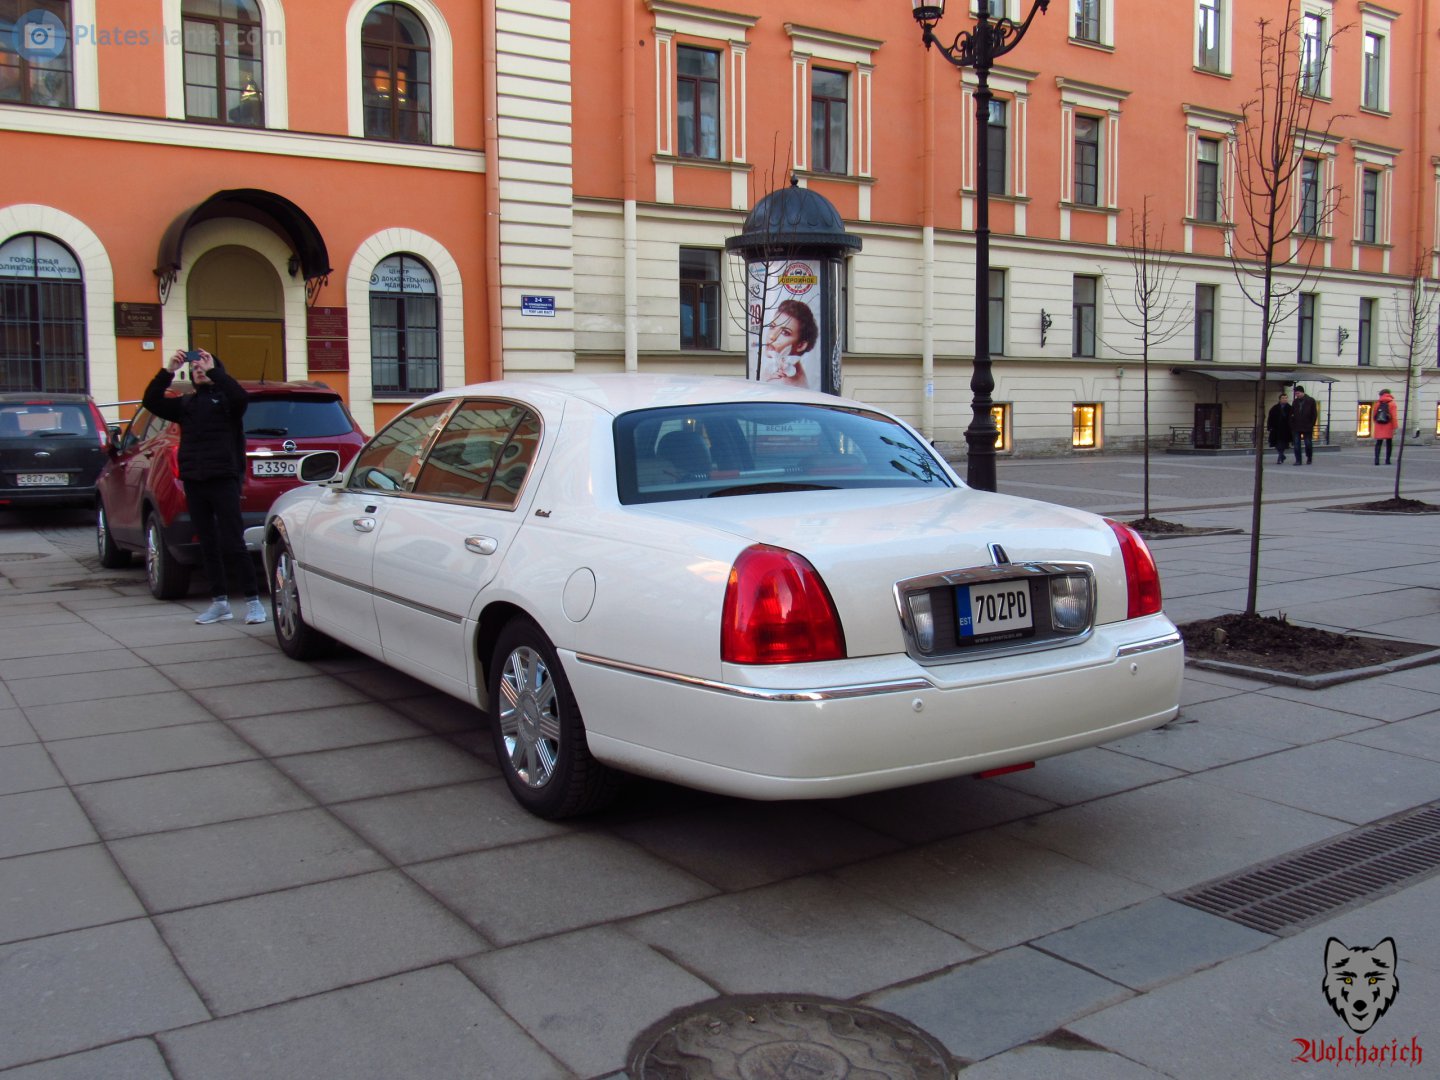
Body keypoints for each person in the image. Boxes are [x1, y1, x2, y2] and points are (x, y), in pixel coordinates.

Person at [142, 349, 266, 625]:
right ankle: (219, 602)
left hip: (223, 480)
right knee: (208, 543)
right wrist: (168, 371)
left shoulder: (226, 403)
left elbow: (239, 397)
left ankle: (253, 602)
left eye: (204, 367)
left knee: (234, 542)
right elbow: (150, 400)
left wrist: (214, 371)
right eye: (195, 368)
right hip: (195, 482)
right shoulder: (186, 405)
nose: (198, 370)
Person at [757, 299, 819, 389]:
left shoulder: (782, 380)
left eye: (785, 333)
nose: (772, 336)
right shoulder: (775, 372)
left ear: (801, 345)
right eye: (772, 326)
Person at [1289, 384, 1318, 465]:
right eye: (1296, 393)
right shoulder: (1295, 402)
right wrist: (1292, 423)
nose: (1296, 395)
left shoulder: (1311, 400)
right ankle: (1298, 460)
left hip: (1307, 426)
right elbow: (1291, 413)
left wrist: (1311, 424)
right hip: (1296, 426)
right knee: (1296, 444)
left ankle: (1309, 457)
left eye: (1298, 393)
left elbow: (1314, 414)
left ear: (1302, 392)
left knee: (1308, 443)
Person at [1372, 388, 1397, 466]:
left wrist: (1376, 422)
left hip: (1379, 425)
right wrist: (1395, 426)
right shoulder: (1392, 403)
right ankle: (1387, 460)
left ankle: (1377, 460)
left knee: (1378, 443)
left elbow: (1374, 415)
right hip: (1388, 425)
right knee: (1389, 443)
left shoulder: (1377, 403)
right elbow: (1394, 416)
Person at [1266, 391, 1292, 464]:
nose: (1285, 399)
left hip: (1285, 430)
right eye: (1283, 398)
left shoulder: (1290, 408)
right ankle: (1282, 456)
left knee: (1282, 444)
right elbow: (1270, 418)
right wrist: (1269, 427)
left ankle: (1280, 457)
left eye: (1286, 398)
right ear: (1280, 399)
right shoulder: (1274, 408)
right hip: (1276, 429)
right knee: (1276, 444)